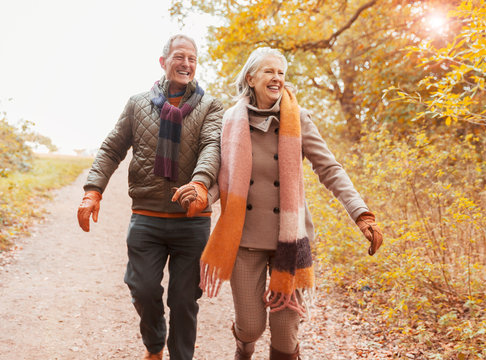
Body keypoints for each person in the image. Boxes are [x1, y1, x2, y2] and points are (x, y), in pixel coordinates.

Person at [178, 47, 383, 360]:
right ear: (251, 77)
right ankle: (243, 347)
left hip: (290, 240)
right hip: (245, 239)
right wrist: (201, 192)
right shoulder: (231, 121)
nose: (276, 78)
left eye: (281, 73)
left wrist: (361, 214)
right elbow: (221, 175)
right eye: (269, 72)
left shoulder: (298, 119)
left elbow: (330, 169)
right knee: (250, 327)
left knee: (286, 339)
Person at [76, 34, 223, 360]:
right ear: (163, 62)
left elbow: (212, 146)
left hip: (192, 221)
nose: (187, 64)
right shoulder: (137, 104)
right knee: (142, 289)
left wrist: (200, 185)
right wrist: (93, 190)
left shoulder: (211, 105)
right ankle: (154, 346)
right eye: (180, 57)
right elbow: (112, 148)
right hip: (147, 217)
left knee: (184, 300)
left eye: (193, 59)